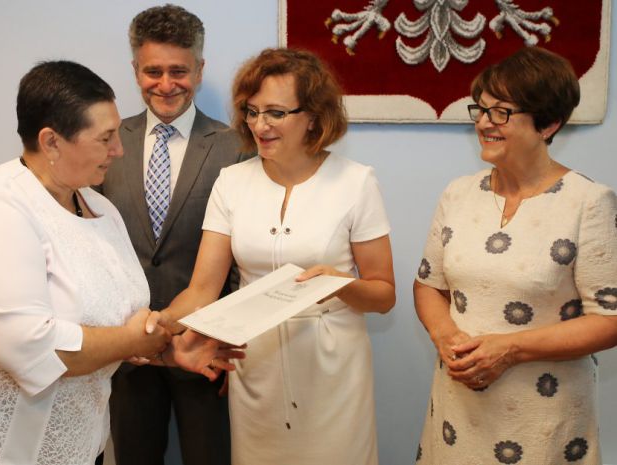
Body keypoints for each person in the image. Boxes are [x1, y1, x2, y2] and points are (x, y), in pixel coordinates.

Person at [0, 60, 242, 465]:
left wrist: (165, 351)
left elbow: (116, 321)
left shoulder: (98, 207)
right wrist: (138, 341)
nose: (119, 150)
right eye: (105, 138)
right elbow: (30, 349)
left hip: (81, 444)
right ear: (51, 142)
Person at [157, 47, 396, 465]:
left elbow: (383, 294)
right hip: (256, 369)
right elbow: (201, 292)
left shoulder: (356, 182)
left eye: (275, 113)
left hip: (333, 371)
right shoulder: (231, 182)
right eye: (252, 112)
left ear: (314, 116)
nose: (259, 125)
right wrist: (157, 326)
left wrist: (339, 285)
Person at [414, 46, 617, 464]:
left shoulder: (588, 202)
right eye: (481, 109)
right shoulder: (458, 194)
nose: (484, 123)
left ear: (548, 124)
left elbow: (610, 320)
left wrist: (510, 349)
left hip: (543, 417)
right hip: (458, 413)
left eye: (501, 112)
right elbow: (429, 285)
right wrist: (445, 335)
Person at [96, 4, 249, 465]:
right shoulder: (105, 144)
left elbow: (243, 257)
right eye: (153, 71)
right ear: (135, 70)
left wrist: (230, 335)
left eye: (179, 71)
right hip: (126, 353)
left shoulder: (235, 147)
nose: (166, 84)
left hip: (205, 350)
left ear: (199, 70)